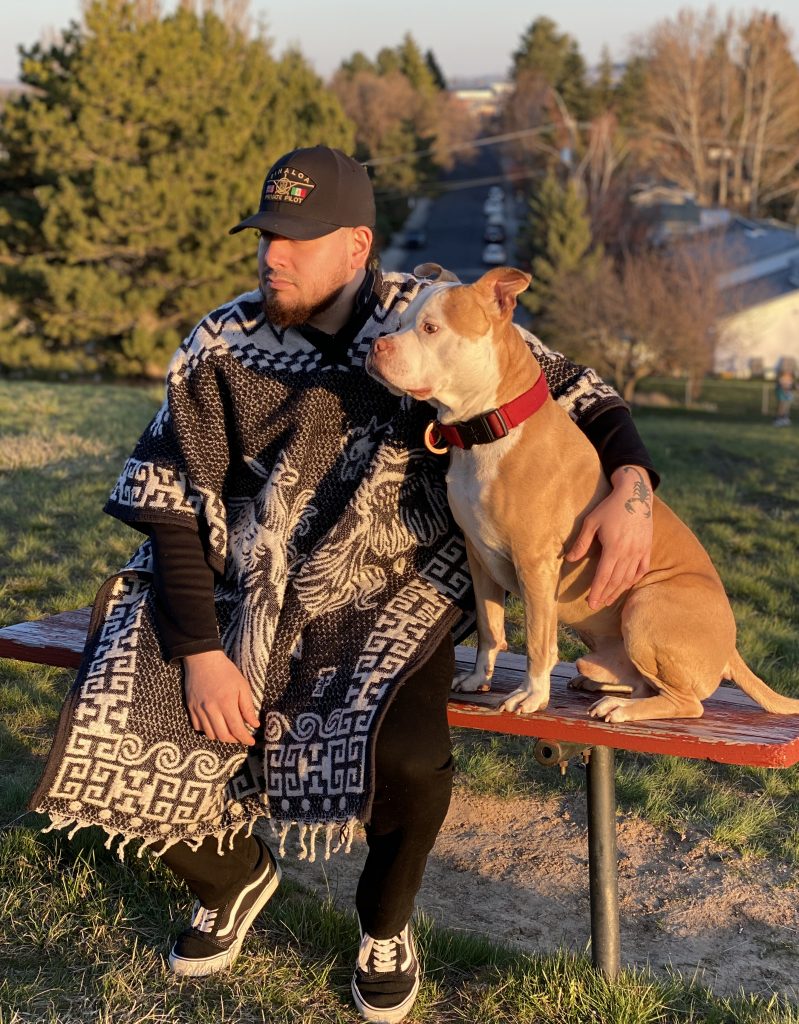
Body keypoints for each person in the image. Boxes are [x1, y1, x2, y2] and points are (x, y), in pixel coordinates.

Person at [32, 146, 657, 1023]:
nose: (270, 254)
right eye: (263, 235)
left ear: (357, 244)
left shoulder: (427, 318)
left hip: (385, 588)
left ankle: (384, 925)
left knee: (404, 757)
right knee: (113, 720)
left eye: (294, 237)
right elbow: (169, 503)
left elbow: (578, 391)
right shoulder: (220, 342)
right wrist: (204, 654)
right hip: (233, 588)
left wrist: (630, 492)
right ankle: (235, 874)